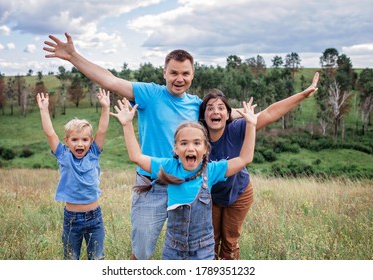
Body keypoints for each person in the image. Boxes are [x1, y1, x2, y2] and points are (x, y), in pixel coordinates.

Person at [44, 33, 319, 260]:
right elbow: (110, 80)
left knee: (192, 252)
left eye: (185, 73)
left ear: (192, 74)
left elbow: (263, 116)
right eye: (173, 72)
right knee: (141, 250)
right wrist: (72, 57)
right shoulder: (150, 94)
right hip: (151, 183)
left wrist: (303, 95)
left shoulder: (200, 106)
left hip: (188, 187)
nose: (179, 78)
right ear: (164, 72)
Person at [111, 97, 257, 259]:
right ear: (176, 148)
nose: (190, 148)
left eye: (196, 143)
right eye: (184, 143)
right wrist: (127, 124)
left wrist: (250, 125)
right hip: (173, 249)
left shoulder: (212, 170)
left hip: (203, 250)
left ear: (206, 149)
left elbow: (244, 159)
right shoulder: (169, 167)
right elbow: (136, 157)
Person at [198, 73, 319, 260]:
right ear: (203, 115)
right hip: (210, 196)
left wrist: (303, 94)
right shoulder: (197, 136)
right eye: (210, 108)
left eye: (221, 108)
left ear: (228, 114)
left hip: (239, 193)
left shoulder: (237, 128)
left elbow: (270, 113)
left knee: (229, 242)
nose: (216, 112)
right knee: (209, 241)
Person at [36, 88, 110, 260]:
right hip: (72, 220)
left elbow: (102, 131)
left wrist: (105, 107)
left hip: (95, 218)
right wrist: (43, 110)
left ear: (90, 142)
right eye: (74, 139)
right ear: (67, 141)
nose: (80, 144)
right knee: (71, 259)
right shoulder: (63, 155)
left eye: (84, 139)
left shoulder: (93, 153)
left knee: (97, 258)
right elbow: (50, 133)